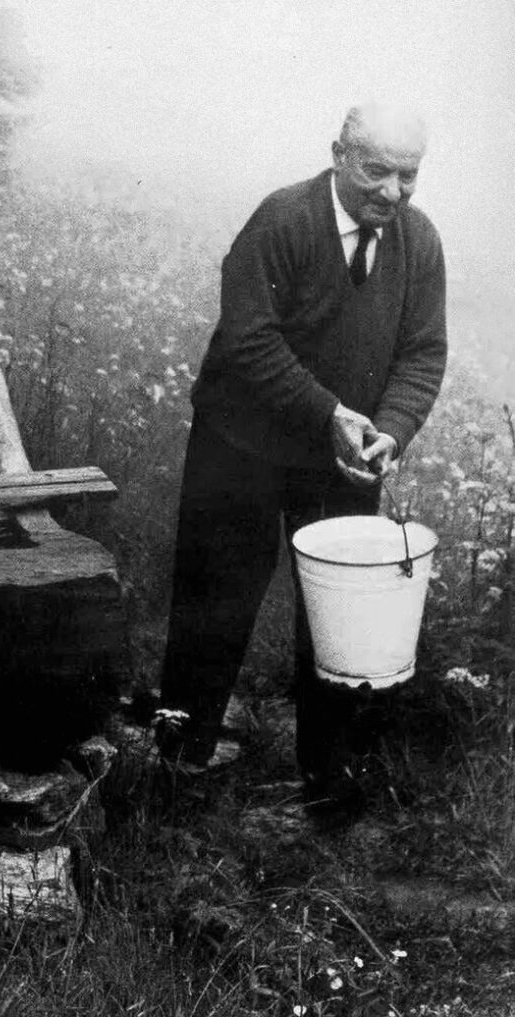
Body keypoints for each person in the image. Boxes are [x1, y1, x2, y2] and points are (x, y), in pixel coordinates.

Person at [159, 102, 447, 814]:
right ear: (339, 154)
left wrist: (390, 430)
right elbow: (249, 339)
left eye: (408, 175)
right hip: (241, 441)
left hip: (343, 458)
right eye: (376, 170)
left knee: (339, 611)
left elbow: (422, 352)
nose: (393, 191)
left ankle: (328, 781)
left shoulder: (419, 241)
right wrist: (329, 413)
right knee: (216, 596)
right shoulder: (282, 220)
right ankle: (178, 761)